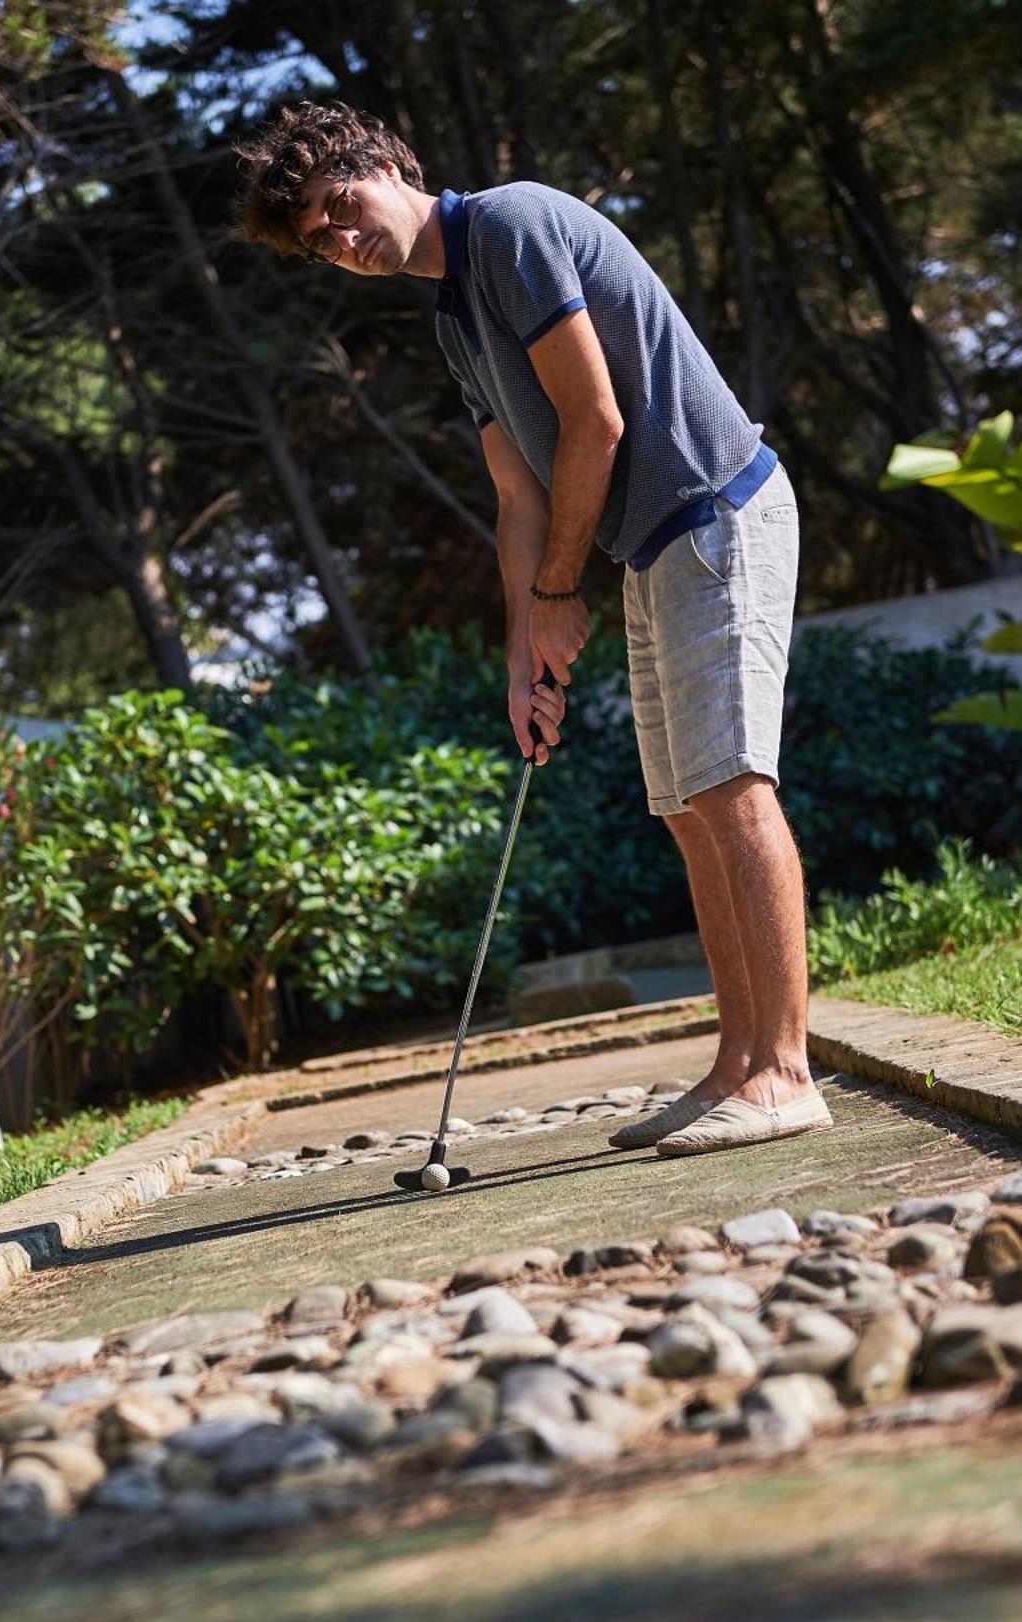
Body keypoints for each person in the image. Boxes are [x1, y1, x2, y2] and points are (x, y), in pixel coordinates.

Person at [234, 99, 832, 1156]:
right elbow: (513, 495)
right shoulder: (452, 319)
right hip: (649, 542)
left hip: (714, 510)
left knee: (731, 786)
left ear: (384, 160)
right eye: (316, 239)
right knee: (688, 806)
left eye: (339, 205)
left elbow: (593, 418)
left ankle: (785, 1070)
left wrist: (560, 591)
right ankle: (736, 1064)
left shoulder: (507, 227)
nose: (338, 239)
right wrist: (523, 649)